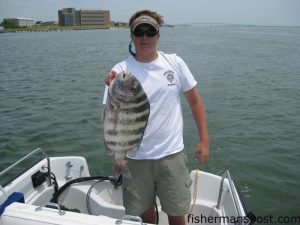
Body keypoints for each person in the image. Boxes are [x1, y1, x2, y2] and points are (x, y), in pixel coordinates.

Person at [104, 9, 209, 225]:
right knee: (145, 213)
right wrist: (112, 86)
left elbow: (195, 101)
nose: (144, 37)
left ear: (158, 36)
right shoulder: (120, 70)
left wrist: (204, 140)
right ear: (132, 36)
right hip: (134, 158)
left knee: (177, 211)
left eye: (150, 32)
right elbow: (110, 115)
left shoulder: (175, 63)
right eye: (139, 32)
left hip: (171, 154)